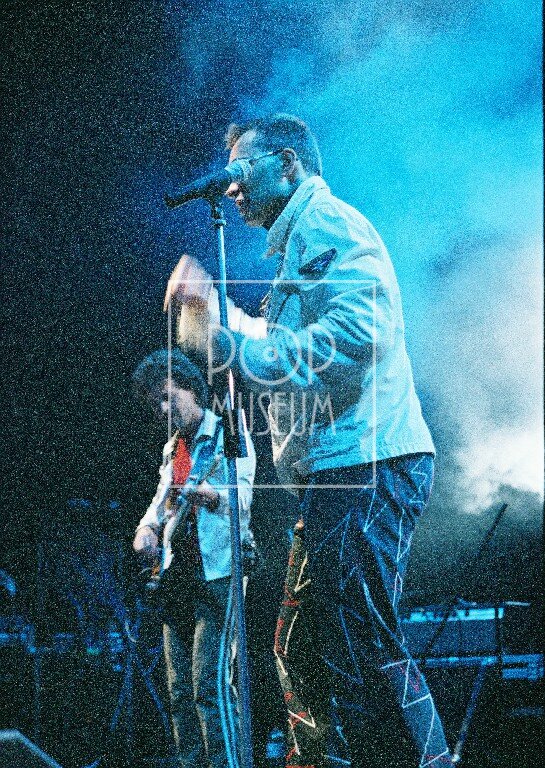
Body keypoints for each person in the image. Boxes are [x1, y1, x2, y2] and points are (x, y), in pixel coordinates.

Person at [165, 115, 453, 767]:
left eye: (242, 170)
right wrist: (209, 314)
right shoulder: (301, 245)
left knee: (359, 640)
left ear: (287, 164)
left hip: (368, 462)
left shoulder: (327, 224)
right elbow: (283, 345)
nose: (231, 187)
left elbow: (357, 333)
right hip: (337, 471)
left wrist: (231, 346)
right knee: (301, 647)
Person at [132, 348, 256, 768]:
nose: (163, 409)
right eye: (156, 404)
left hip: (218, 576)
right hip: (177, 580)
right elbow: (160, 505)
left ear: (191, 388)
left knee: (210, 685)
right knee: (179, 692)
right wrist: (146, 530)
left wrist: (209, 496)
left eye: (168, 397)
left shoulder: (227, 432)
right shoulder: (174, 450)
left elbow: (243, 498)